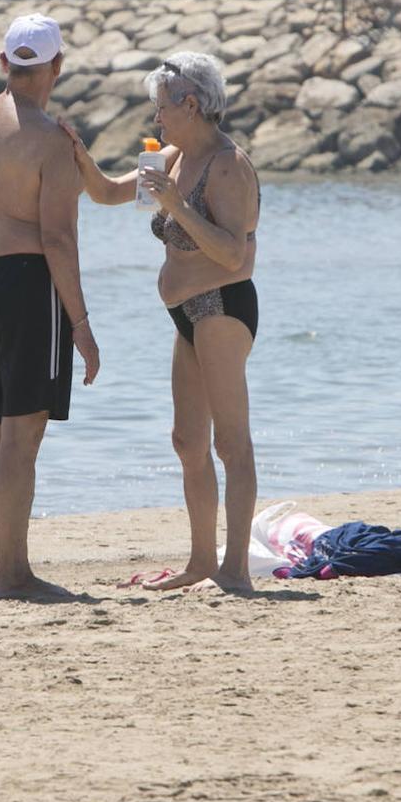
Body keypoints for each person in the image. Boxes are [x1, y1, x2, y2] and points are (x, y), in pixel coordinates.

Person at [60, 52, 260, 592]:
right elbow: (105, 193)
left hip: (221, 306)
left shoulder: (228, 165)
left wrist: (178, 204)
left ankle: (235, 568)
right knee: (187, 441)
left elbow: (233, 256)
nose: (157, 118)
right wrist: (76, 154)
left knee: (230, 444)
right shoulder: (169, 156)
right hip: (184, 315)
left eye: (162, 107)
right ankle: (200, 562)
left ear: (190, 104)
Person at [0, 13, 101, 600]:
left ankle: (0, 570)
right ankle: (12, 575)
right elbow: (59, 239)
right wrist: (82, 326)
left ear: (5, 64)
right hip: (29, 287)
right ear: (57, 66)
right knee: (22, 435)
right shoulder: (46, 139)